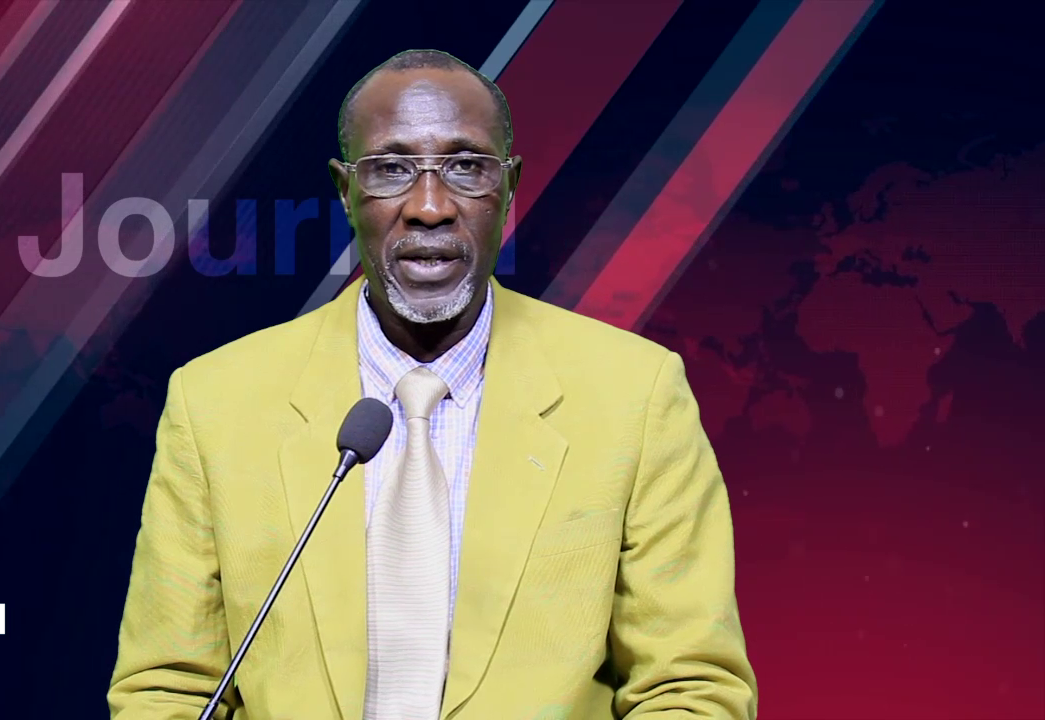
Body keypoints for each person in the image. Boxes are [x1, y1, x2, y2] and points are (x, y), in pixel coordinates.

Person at [108, 49, 758, 720]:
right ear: (344, 191)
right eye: (391, 169)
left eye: (466, 167)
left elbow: (689, 688)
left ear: (509, 188)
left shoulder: (636, 394)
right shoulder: (214, 402)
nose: (429, 207)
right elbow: (168, 691)